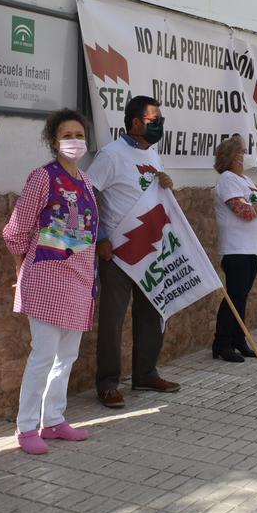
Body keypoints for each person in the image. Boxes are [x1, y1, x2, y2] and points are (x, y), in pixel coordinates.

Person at [2, 110, 97, 455]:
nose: (74, 140)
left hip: (79, 281)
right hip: (46, 279)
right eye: (66, 135)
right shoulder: (42, 178)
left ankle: (54, 419)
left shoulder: (86, 182)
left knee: (67, 356)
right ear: (53, 141)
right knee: (43, 355)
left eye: (79, 134)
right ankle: (26, 427)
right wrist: (20, 268)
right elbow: (15, 230)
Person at [88, 95, 180, 409]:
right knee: (113, 320)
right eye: (155, 121)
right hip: (117, 252)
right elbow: (89, 196)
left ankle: (146, 373)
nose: (160, 126)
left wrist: (166, 183)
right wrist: (100, 237)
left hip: (149, 249)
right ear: (136, 122)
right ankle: (108, 383)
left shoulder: (153, 154)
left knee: (152, 313)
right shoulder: (111, 155)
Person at [211, 135, 257, 362]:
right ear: (231, 156)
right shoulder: (227, 180)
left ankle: (238, 339)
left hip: (251, 247)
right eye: (241, 151)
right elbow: (243, 211)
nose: (245, 154)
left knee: (241, 296)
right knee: (235, 296)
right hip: (236, 248)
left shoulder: (246, 181)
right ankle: (222, 343)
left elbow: (253, 210)